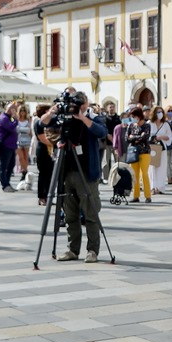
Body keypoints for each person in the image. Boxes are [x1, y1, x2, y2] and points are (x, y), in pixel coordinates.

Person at [51, 90, 108, 264]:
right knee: (70, 215)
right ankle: (72, 249)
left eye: (80, 105)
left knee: (91, 214)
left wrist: (83, 118)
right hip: (67, 173)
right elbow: (44, 125)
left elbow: (102, 132)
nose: (76, 108)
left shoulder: (92, 118)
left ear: (86, 105)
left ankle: (92, 251)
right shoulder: (67, 120)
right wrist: (52, 112)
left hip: (87, 175)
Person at [122, 106, 154, 203]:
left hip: (144, 152)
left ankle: (148, 196)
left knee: (144, 174)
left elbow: (145, 137)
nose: (132, 118)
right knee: (134, 175)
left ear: (139, 116)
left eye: (134, 116)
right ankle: (136, 196)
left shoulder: (146, 125)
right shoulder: (131, 125)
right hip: (133, 153)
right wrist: (137, 137)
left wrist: (134, 137)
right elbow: (127, 138)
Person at [33, 104, 56, 207]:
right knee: (43, 174)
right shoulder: (39, 123)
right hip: (43, 150)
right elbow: (42, 138)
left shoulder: (49, 122)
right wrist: (55, 143)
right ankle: (41, 197)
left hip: (50, 150)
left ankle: (48, 195)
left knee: (50, 175)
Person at [147, 106, 172, 194]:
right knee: (152, 167)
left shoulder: (165, 124)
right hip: (152, 148)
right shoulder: (149, 123)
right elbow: (146, 135)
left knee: (161, 167)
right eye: (158, 112)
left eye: (161, 112)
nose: (160, 114)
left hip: (162, 148)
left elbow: (169, 136)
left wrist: (161, 137)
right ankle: (152, 187)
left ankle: (160, 187)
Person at [0, 103, 20, 191]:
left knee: (11, 165)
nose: (14, 111)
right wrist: (16, 119)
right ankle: (5, 185)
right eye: (12, 109)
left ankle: (8, 183)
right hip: (5, 145)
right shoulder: (3, 118)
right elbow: (11, 127)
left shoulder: (10, 118)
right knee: (4, 166)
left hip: (11, 145)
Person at [15, 104, 33, 183]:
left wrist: (21, 129)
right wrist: (24, 129)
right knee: (21, 157)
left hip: (27, 140)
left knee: (26, 157)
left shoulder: (28, 119)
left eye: (24, 111)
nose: (22, 112)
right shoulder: (16, 119)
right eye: (21, 110)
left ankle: (24, 171)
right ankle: (25, 171)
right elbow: (16, 129)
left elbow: (29, 130)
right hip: (18, 140)